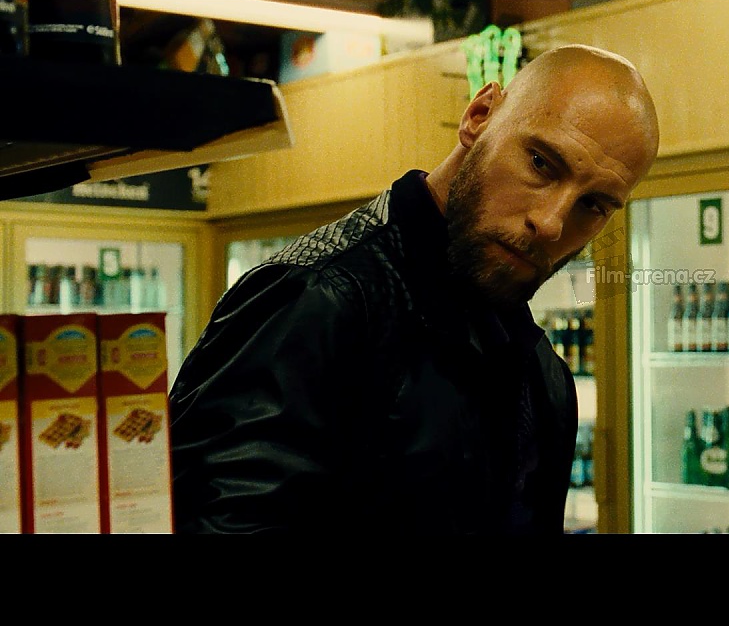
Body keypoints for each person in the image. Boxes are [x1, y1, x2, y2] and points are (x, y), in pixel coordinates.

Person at [167, 44, 660, 534]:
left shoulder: (542, 375)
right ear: (479, 116)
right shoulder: (316, 299)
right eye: (541, 163)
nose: (551, 224)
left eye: (593, 205)